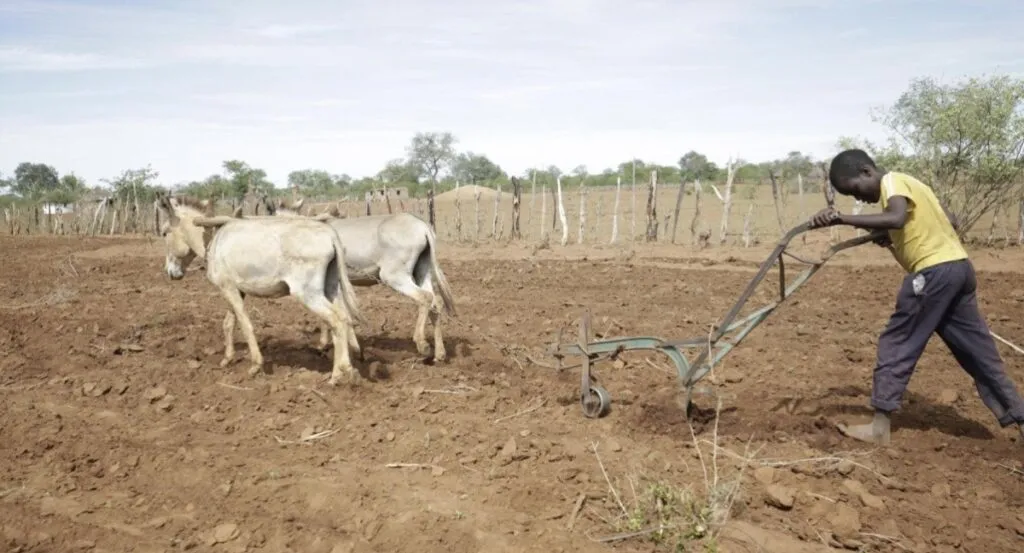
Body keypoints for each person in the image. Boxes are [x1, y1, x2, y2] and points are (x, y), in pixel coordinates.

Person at [808, 148, 1024, 445]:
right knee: (979, 352)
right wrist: (893, 240)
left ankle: (880, 426)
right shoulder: (917, 186)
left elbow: (896, 218)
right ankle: (1019, 415)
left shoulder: (892, 181)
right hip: (959, 269)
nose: (858, 199)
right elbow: (949, 221)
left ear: (867, 172)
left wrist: (841, 218)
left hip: (934, 273)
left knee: (897, 341)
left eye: (856, 190)